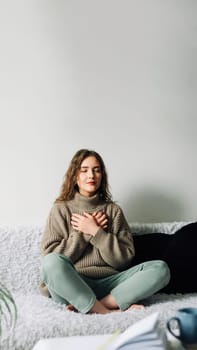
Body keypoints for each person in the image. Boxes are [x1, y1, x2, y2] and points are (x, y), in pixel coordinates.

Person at [40, 149, 170, 314]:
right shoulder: (60, 209)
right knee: (51, 262)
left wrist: (97, 232)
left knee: (161, 269)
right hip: (73, 285)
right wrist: (84, 234)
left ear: (102, 175)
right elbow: (50, 257)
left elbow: (123, 260)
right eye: (84, 170)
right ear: (74, 175)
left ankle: (97, 305)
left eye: (97, 170)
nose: (91, 175)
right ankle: (107, 312)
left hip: (112, 285)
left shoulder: (113, 211)